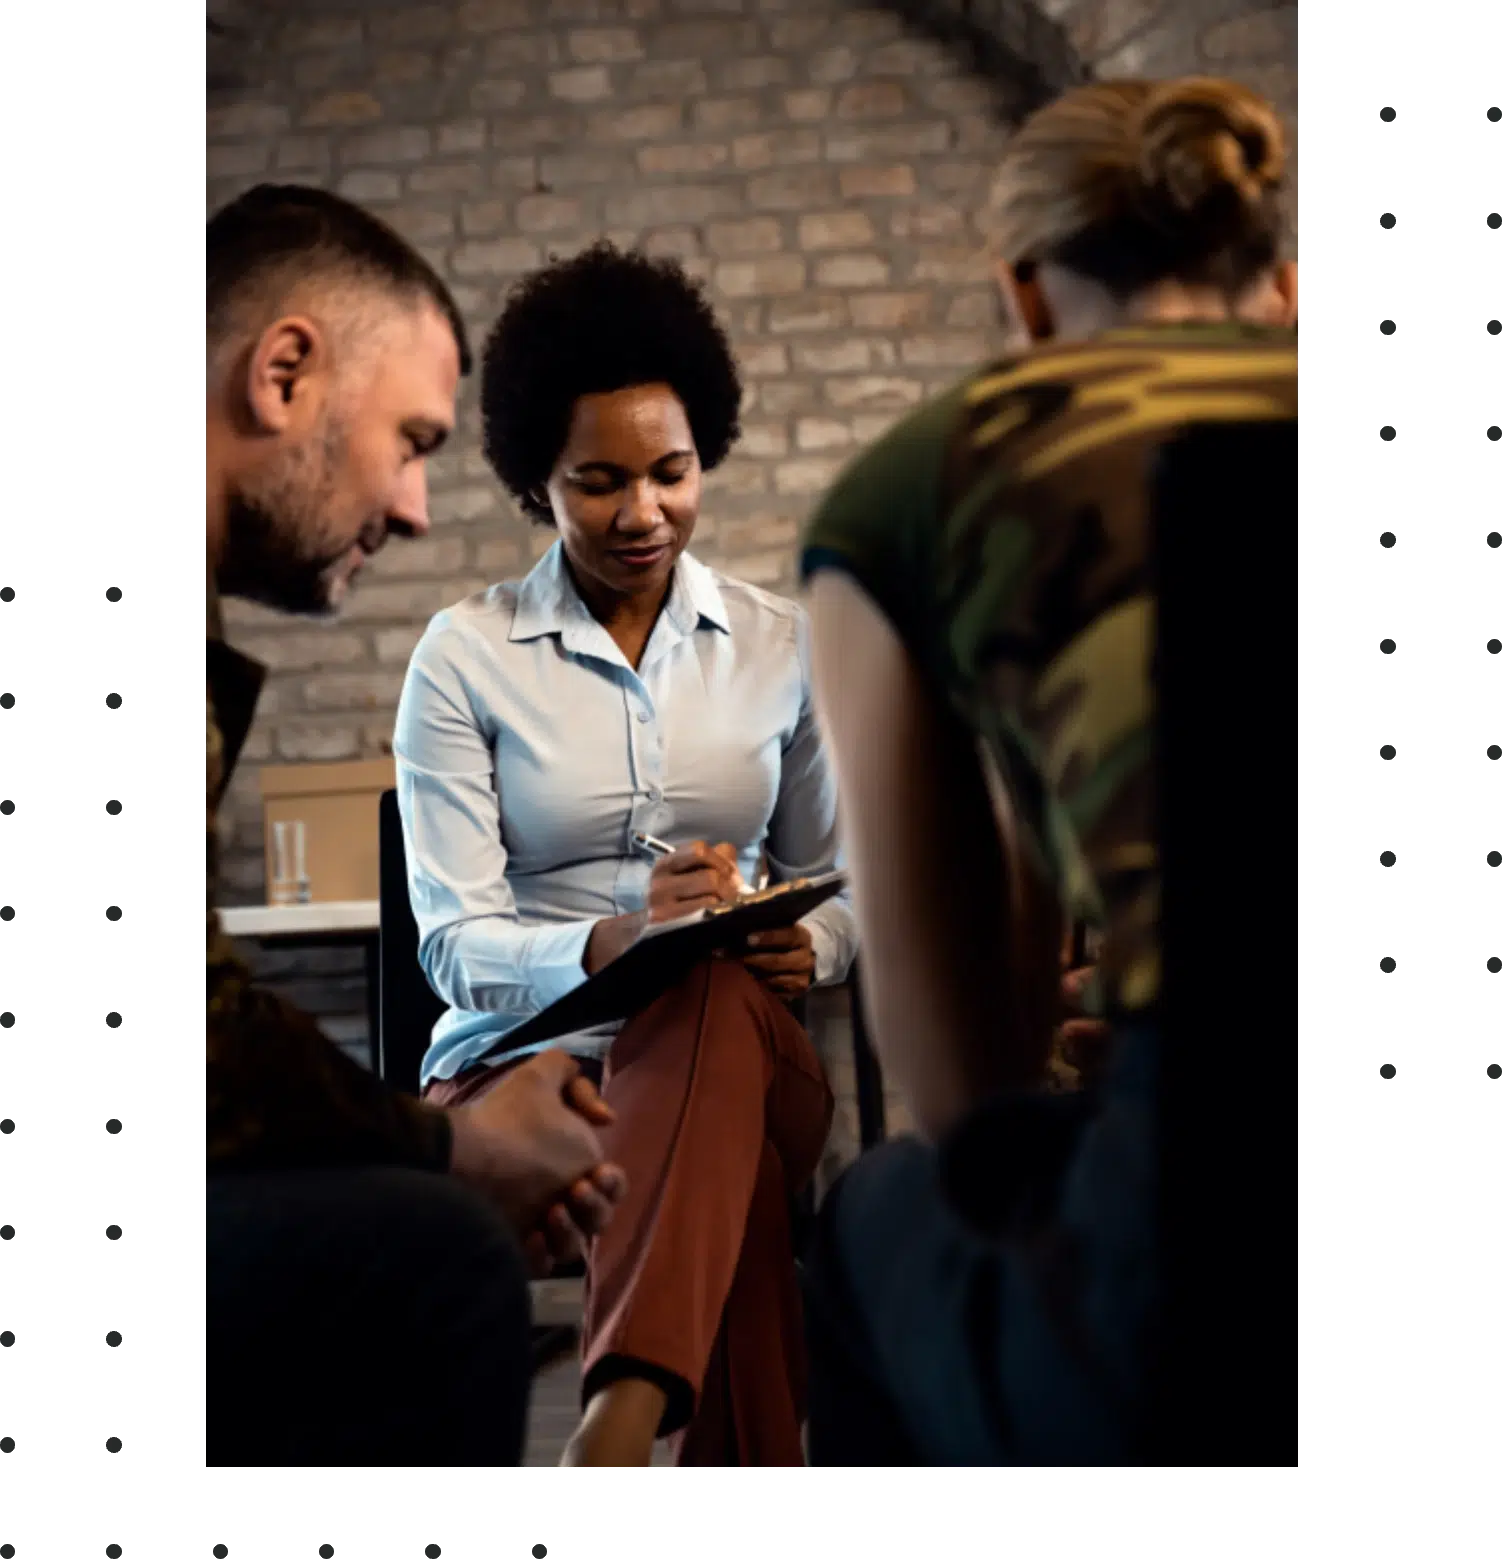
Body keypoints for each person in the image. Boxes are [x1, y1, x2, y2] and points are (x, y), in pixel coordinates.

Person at [797, 77, 1300, 1466]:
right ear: (1281, 285)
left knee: (873, 1217)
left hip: (1201, 1282)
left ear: (1022, 300)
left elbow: (963, 1091)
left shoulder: (924, 480)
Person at [391, 242, 858, 1470]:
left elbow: (848, 883)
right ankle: (679, 1429)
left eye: (671, 472)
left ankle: (612, 1428)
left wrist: (801, 939)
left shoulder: (779, 644)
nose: (642, 512)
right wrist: (613, 942)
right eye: (598, 481)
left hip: (744, 1039)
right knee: (735, 1187)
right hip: (519, 1082)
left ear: (705, 456)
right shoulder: (462, 655)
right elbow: (450, 945)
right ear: (534, 480)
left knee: (703, 988)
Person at [199, 185, 629, 1488]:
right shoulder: (463, 656)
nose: (420, 506)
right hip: (514, 1021)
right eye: (410, 439)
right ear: (284, 373)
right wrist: (453, 1139)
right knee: (428, 1251)